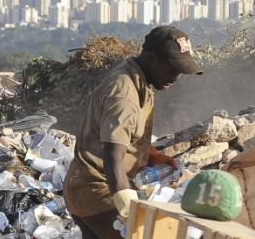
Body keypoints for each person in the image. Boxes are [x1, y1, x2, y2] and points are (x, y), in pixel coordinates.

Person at [63, 26, 203, 239]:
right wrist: (129, 212)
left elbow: (125, 137)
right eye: (172, 69)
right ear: (151, 57)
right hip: (98, 195)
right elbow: (112, 158)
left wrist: (153, 157)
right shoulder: (125, 93)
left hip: (83, 189)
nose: (175, 78)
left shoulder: (138, 78)